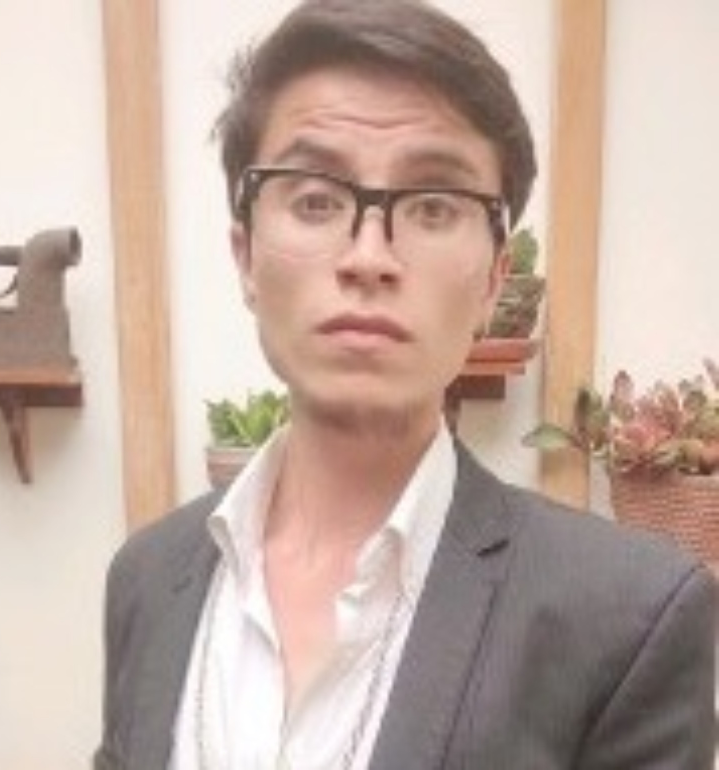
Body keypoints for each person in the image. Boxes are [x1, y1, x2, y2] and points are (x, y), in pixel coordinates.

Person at [94, 1, 717, 768]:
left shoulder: (629, 618)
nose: (368, 257)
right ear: (246, 256)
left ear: (494, 281)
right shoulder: (147, 579)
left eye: (432, 207)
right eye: (315, 199)